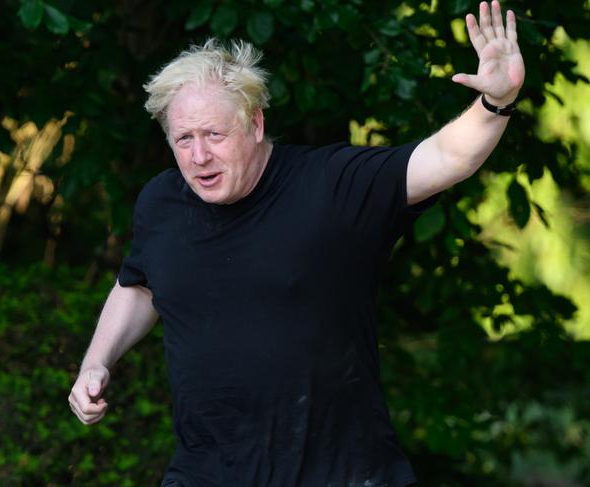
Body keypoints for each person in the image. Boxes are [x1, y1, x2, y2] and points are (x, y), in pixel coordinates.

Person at [68, 1, 524, 485]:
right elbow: (139, 285)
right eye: (183, 139)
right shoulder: (161, 202)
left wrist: (496, 103)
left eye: (215, 135)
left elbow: (447, 158)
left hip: (341, 474)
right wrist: (96, 362)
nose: (199, 156)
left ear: (256, 124)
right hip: (205, 473)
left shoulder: (329, 186)